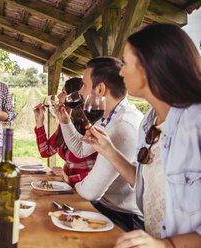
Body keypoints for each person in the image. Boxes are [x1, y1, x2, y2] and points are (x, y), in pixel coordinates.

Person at [86, 24, 201, 247]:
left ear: (148, 67)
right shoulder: (148, 123)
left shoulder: (196, 123)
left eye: (126, 63)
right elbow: (145, 185)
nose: (120, 72)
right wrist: (108, 150)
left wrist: (167, 244)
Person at [55, 57, 144, 232]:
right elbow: (80, 150)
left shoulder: (122, 125)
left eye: (84, 85)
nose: (80, 91)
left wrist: (67, 181)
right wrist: (65, 122)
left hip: (125, 218)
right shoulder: (108, 116)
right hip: (107, 207)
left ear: (101, 89)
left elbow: (90, 192)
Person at [33, 78, 97, 187]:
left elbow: (98, 172)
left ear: (75, 97)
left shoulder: (90, 128)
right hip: (68, 186)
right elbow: (46, 152)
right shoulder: (66, 124)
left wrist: (68, 178)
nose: (58, 96)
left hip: (86, 189)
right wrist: (40, 122)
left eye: (63, 92)